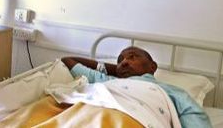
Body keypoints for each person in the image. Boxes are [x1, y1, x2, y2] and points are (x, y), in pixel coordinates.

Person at [61, 46, 212, 128]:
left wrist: (124, 70)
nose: (124, 62)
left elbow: (194, 117)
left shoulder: (171, 91)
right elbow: (68, 60)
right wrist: (118, 71)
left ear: (152, 67)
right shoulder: (107, 81)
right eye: (120, 60)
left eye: (132, 57)